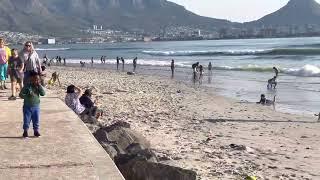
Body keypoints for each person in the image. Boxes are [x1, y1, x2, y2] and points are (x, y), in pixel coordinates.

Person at [19, 72, 46, 138]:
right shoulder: (27, 86)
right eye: (35, 79)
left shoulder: (38, 87)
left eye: (38, 79)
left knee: (36, 119)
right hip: (27, 107)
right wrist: (27, 96)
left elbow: (43, 94)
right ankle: (25, 131)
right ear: (31, 79)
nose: (36, 81)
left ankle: (36, 131)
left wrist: (39, 86)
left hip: (36, 107)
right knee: (26, 120)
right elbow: (20, 95)